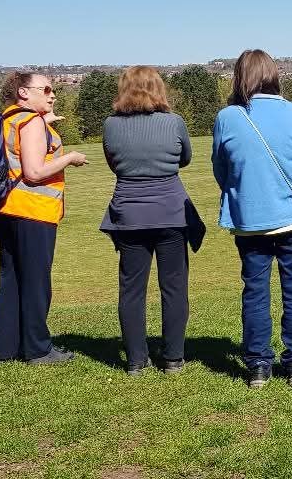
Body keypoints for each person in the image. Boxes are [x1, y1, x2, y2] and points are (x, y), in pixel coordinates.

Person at [211, 50, 292, 389]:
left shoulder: (228, 117)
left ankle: (259, 364)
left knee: (255, 291)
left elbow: (221, 168)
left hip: (249, 217)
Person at [100, 66, 205, 376]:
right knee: (174, 286)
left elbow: (113, 164)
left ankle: (135, 359)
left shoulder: (111, 125)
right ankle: (173, 357)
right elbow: (184, 158)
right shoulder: (174, 123)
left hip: (129, 213)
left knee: (131, 289)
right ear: (158, 90)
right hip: (171, 211)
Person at [0, 72, 87, 365]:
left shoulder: (9, 118)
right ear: (23, 92)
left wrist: (46, 124)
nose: (52, 94)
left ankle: (5, 349)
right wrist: (69, 158)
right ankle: (38, 349)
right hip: (32, 210)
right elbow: (33, 173)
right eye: (45, 89)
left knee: (12, 278)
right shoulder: (30, 122)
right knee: (36, 281)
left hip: (6, 208)